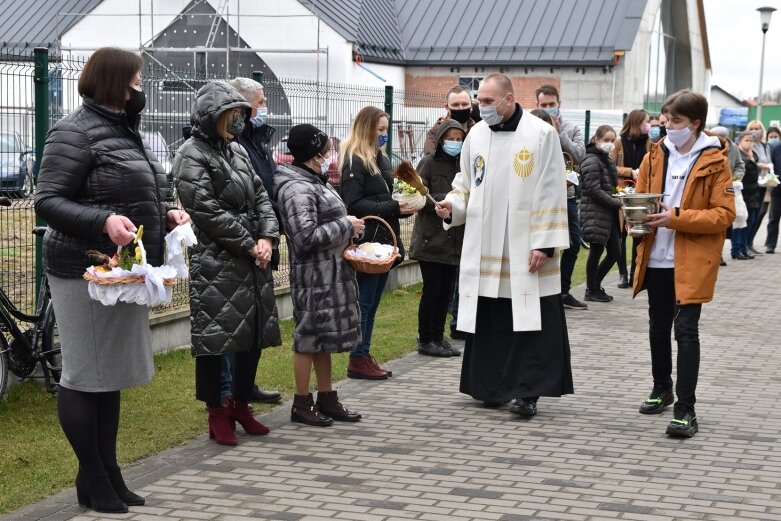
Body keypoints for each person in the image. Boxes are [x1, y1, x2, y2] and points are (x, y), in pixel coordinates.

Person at [35, 47, 189, 513]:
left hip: (120, 273)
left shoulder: (126, 130)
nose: (141, 88)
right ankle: (95, 476)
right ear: (116, 81)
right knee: (85, 376)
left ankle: (107, 473)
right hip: (81, 272)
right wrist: (104, 220)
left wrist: (166, 211)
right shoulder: (74, 131)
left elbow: (141, 190)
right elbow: (47, 200)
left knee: (111, 377)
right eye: (136, 80)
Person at [435, 73, 573, 417]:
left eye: (486, 101)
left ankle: (529, 392)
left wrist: (544, 243)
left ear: (508, 100)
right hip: (486, 248)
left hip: (526, 248)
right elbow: (465, 184)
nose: (480, 108)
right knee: (493, 320)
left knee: (529, 322)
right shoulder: (476, 136)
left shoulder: (541, 135)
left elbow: (552, 189)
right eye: (479, 100)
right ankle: (492, 387)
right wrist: (453, 205)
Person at [173, 80, 281, 446]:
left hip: (252, 258)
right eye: (232, 116)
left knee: (251, 335)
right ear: (212, 117)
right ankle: (217, 410)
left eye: (241, 115)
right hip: (218, 260)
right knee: (218, 339)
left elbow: (263, 197)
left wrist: (267, 238)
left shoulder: (238, 152)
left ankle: (240, 404)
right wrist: (250, 243)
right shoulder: (191, 153)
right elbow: (204, 209)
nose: (238, 123)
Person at [633, 89, 735, 437]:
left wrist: (675, 217)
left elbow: (723, 215)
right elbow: (641, 197)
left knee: (686, 332)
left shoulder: (716, 160)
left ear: (695, 124)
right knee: (658, 327)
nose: (666, 128)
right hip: (656, 257)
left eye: (674, 122)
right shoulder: (654, 155)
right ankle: (662, 387)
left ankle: (686, 409)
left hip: (691, 260)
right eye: (664, 121)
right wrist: (632, 215)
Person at [274, 124, 363, 426]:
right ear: (315, 154)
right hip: (313, 277)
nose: (331, 154)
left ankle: (327, 396)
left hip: (330, 274)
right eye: (327, 149)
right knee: (308, 338)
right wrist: (347, 226)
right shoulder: (297, 187)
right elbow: (304, 237)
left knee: (322, 340)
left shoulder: (314, 179)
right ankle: (301, 402)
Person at [340, 106, 418, 379]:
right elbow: (354, 204)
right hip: (368, 242)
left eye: (386, 130)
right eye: (380, 130)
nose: (384, 135)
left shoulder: (379, 158)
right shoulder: (354, 159)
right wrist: (394, 207)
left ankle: (364, 353)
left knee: (372, 303)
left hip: (385, 240)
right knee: (364, 301)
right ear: (367, 128)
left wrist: (401, 204)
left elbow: (384, 196)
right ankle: (357, 356)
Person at [224, 77, 282, 404]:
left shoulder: (258, 141)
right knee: (236, 325)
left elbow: (265, 191)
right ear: (244, 107)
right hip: (243, 246)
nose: (264, 108)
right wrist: (256, 238)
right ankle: (231, 390)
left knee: (255, 324)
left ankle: (246, 386)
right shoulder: (236, 143)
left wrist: (270, 232)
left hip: (264, 240)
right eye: (260, 103)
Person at [409, 119, 466, 358]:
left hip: (454, 240)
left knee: (446, 292)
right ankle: (426, 338)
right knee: (432, 290)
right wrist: (445, 201)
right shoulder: (428, 164)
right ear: (441, 140)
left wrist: (456, 204)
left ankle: (438, 337)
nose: (454, 143)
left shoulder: (464, 167)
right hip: (431, 240)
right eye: (450, 139)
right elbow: (418, 196)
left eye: (459, 139)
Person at [535, 84, 587, 310]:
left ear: (559, 104)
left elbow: (579, 156)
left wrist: (558, 132)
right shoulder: (531, 127)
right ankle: (546, 292)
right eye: (543, 105)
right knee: (546, 246)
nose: (548, 108)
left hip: (566, 195)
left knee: (573, 243)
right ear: (537, 105)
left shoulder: (572, 128)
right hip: (541, 197)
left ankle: (564, 291)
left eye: (551, 105)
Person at [578, 125, 623, 302]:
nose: (610, 144)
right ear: (596, 140)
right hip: (595, 213)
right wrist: (616, 202)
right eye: (606, 140)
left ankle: (595, 286)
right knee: (596, 251)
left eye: (612, 140)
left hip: (607, 213)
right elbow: (593, 190)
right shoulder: (591, 160)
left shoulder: (606, 160)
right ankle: (591, 289)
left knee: (615, 252)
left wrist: (620, 195)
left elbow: (610, 186)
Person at [611, 109, 651, 288]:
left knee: (638, 234)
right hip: (622, 192)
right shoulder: (619, 142)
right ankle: (622, 273)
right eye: (646, 122)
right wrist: (630, 172)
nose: (648, 125)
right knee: (621, 235)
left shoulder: (649, 143)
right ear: (636, 123)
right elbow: (611, 166)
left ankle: (635, 273)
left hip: (640, 193)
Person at [709, 126, 746, 266]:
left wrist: (736, 177)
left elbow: (740, 165)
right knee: (715, 223)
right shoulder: (708, 148)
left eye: (723, 137)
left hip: (729, 190)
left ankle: (720, 254)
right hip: (711, 191)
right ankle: (716, 254)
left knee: (725, 224)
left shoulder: (734, 148)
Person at [744, 120, 773, 253]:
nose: (755, 131)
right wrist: (761, 165)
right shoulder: (748, 145)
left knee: (757, 216)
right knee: (750, 216)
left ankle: (750, 243)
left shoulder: (765, 145)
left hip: (763, 183)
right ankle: (744, 244)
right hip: (751, 185)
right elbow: (750, 162)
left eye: (757, 128)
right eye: (752, 128)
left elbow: (768, 160)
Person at [423, 85, 476, 156]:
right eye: (455, 105)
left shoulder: (477, 130)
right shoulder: (436, 132)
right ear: (447, 107)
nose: (460, 108)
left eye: (465, 104)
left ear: (471, 105)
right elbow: (430, 161)